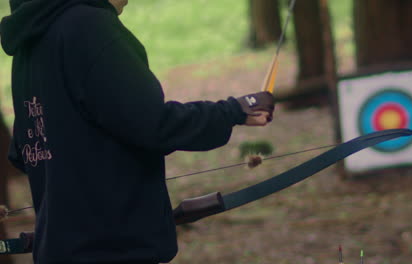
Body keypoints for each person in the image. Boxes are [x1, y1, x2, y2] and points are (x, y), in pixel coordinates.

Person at [0, 0, 275, 263]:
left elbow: (24, 150)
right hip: (110, 251)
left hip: (65, 248)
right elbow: (153, 123)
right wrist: (235, 110)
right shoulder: (88, 26)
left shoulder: (34, 37)